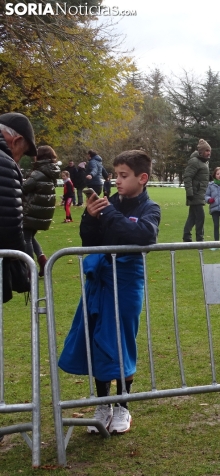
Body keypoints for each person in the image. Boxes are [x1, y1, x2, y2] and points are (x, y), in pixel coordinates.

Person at [58, 149, 161, 434]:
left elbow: (143, 235)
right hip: (99, 280)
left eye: (123, 175)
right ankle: (103, 403)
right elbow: (90, 241)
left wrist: (110, 213)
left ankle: (123, 406)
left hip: (127, 283)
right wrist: (90, 218)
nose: (117, 180)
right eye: (115, 174)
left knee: (121, 340)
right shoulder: (107, 203)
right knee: (97, 338)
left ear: (142, 178)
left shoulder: (150, 208)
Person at [0, 112, 37, 304]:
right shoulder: (4, 162)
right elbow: (9, 219)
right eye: (22, 152)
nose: (19, 159)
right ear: (16, 140)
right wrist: (19, 258)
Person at [22, 145, 60, 277]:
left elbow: (23, 188)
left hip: (31, 209)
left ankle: (28, 267)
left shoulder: (37, 173)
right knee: (31, 237)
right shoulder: (51, 171)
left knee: (26, 237)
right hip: (41, 212)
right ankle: (42, 260)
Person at [182, 139, 210, 242]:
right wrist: (189, 193)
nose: (208, 153)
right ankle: (200, 238)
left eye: (209, 151)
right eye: (207, 150)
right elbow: (187, 177)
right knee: (200, 216)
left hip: (199, 193)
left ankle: (186, 236)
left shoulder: (203, 162)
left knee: (192, 217)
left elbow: (200, 177)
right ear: (201, 151)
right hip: (195, 193)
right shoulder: (195, 161)